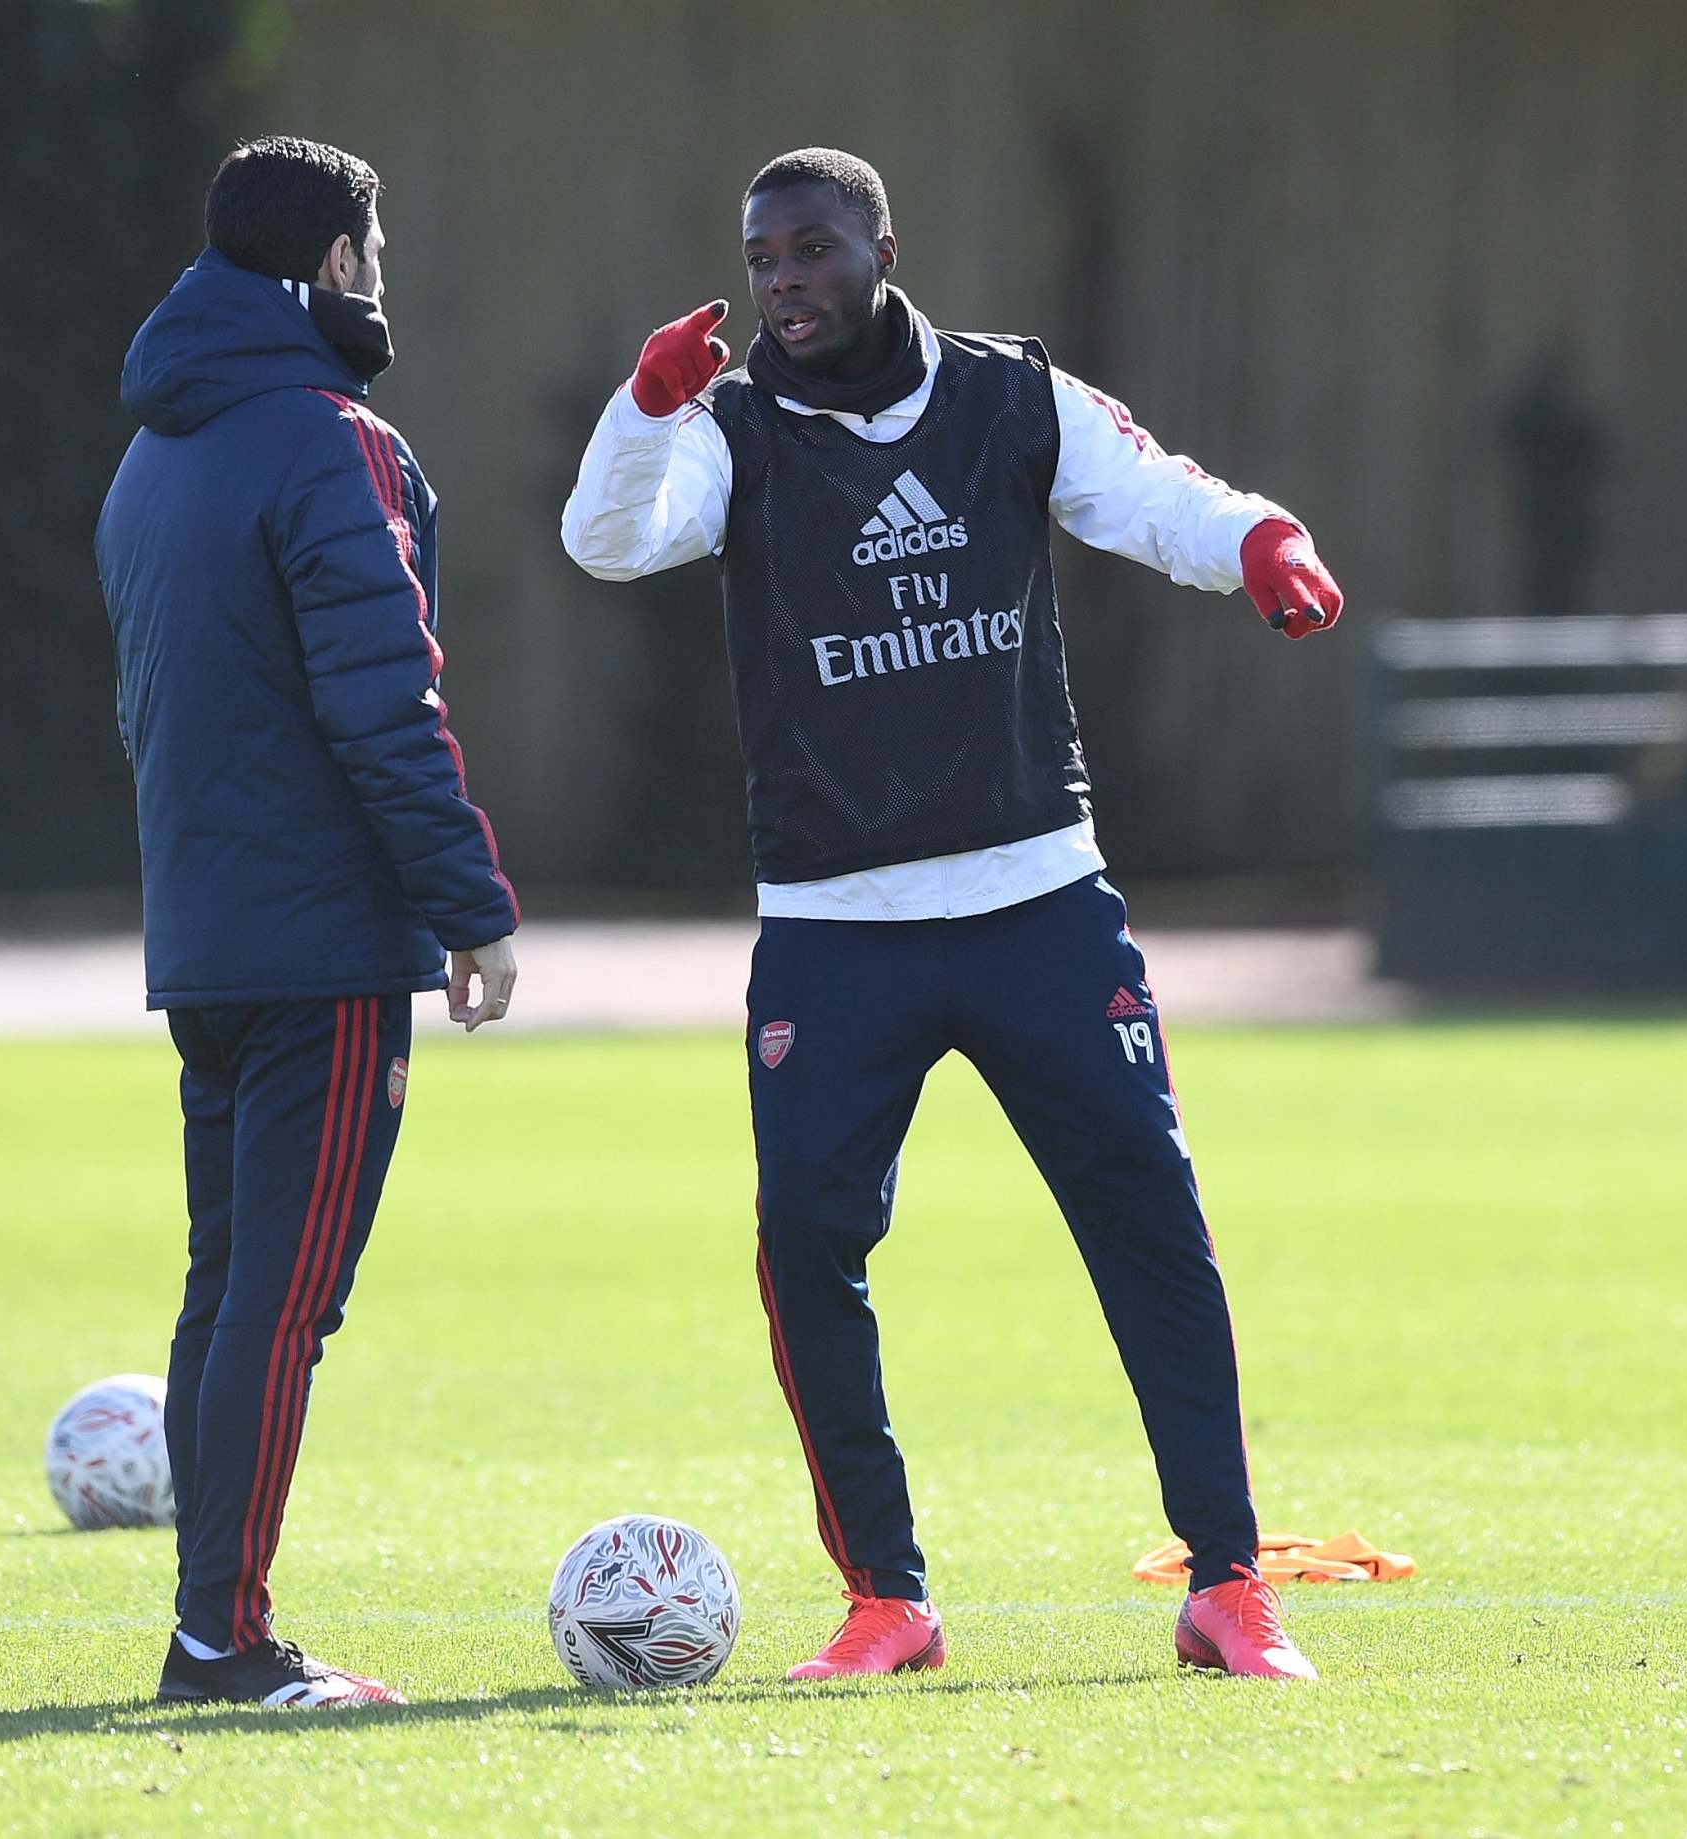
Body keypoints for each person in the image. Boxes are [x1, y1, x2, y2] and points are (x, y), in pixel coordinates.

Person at [561, 147, 1343, 1683]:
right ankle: (888, 1601)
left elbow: (1155, 495)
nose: (783, 280)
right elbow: (608, 538)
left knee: (1152, 1228)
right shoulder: (730, 432)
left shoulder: (1008, 396)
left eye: (811, 250)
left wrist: (1261, 539)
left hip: (1039, 902)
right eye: (760, 256)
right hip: (833, 927)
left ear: (882, 249)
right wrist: (645, 403)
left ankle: (1229, 1586)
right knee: (807, 1250)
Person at [97, 136, 519, 1708]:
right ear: (334, 264)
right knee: (283, 1307)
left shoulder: (155, 447)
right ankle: (223, 1644)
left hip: (204, 940)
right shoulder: (333, 442)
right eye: (376, 252)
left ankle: (217, 1622)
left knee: (226, 1290)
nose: (383, 280)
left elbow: (149, 709)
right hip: (323, 950)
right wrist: (468, 906)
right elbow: (383, 702)